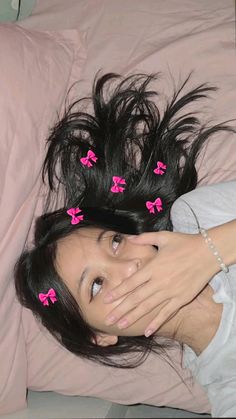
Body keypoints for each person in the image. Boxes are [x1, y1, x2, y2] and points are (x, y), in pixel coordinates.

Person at [14, 73, 236, 416]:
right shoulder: (226, 389)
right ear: (100, 336)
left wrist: (212, 249)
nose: (128, 266)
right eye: (97, 285)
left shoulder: (200, 217)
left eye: (115, 243)